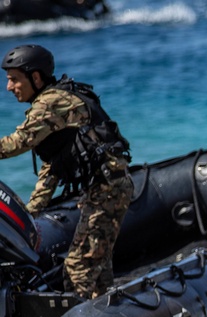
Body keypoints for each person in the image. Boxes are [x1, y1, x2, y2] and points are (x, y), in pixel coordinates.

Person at [0, 44, 132, 299]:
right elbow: (54, 165)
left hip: (107, 191)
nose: (9, 88)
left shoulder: (51, 103)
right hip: (104, 190)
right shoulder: (56, 103)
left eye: (14, 80)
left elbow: (16, 143)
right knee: (98, 267)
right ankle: (105, 312)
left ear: (35, 77)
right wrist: (32, 212)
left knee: (77, 271)